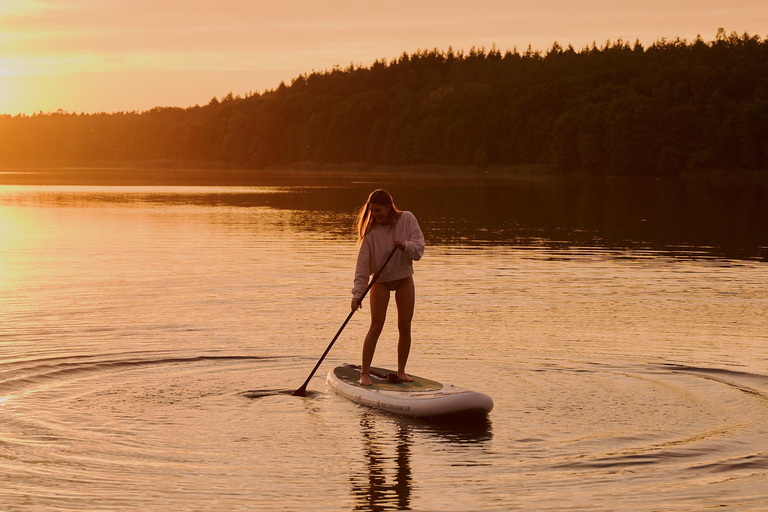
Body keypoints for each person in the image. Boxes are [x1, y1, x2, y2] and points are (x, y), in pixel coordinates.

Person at [351, 189, 425, 386]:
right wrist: (357, 295)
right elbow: (362, 268)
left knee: (405, 326)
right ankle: (364, 374)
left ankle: (401, 371)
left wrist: (406, 246)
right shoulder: (371, 234)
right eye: (372, 211)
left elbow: (419, 249)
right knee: (376, 326)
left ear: (389, 206)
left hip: (404, 279)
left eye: (378, 210)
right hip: (381, 282)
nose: (375, 215)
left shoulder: (407, 219)